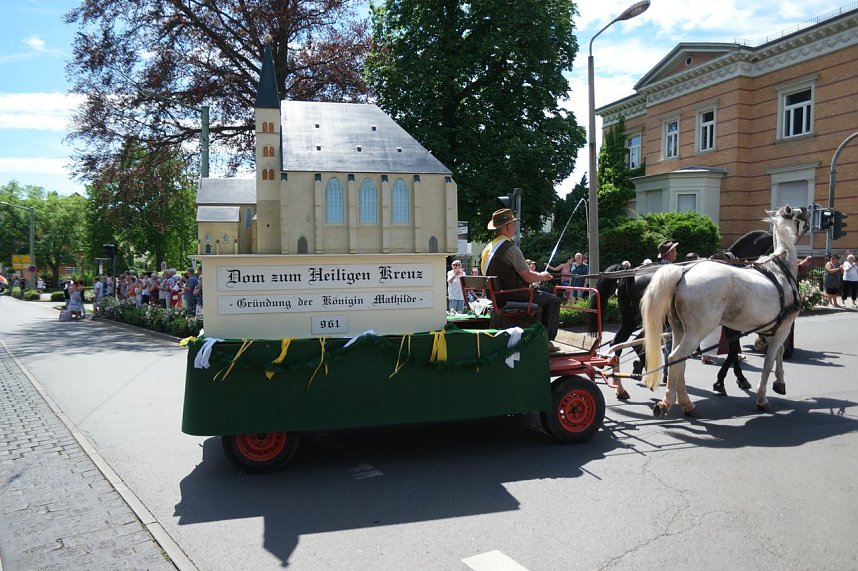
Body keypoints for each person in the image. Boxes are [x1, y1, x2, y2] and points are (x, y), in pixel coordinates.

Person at [480, 208, 562, 351]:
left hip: (496, 296)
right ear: (507, 226)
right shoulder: (510, 248)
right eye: (513, 224)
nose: (515, 226)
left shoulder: (488, 248)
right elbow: (527, 276)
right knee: (553, 300)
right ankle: (545, 342)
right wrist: (543, 276)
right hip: (514, 295)